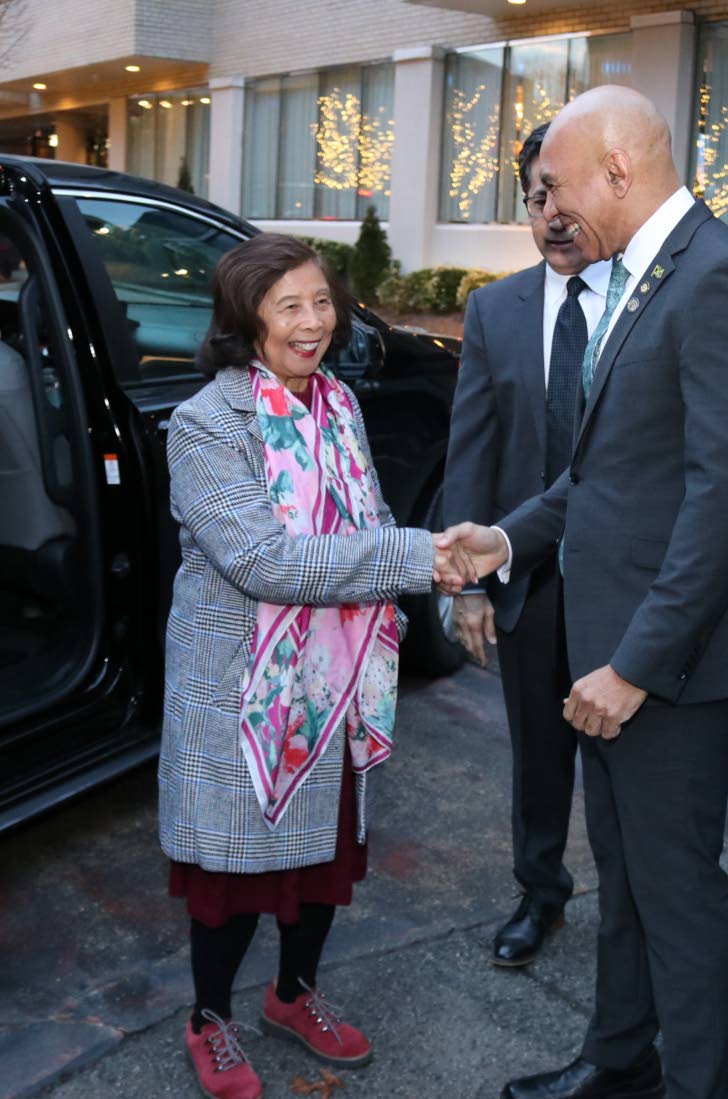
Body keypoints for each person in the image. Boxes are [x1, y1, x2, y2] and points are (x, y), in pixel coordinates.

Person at [438, 86, 728, 1099]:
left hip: (663, 665)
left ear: (617, 170)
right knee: (628, 877)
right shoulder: (651, 275)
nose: (547, 206)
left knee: (676, 890)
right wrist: (504, 539)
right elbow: (605, 473)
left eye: (556, 185)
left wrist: (635, 666)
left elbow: (724, 504)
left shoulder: (724, 281)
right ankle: (619, 1058)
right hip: (613, 648)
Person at [159, 233, 472, 1099]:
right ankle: (209, 1019)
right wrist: (419, 557)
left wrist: (428, 560)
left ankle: (292, 995)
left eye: (323, 302)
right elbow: (264, 561)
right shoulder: (205, 425)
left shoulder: (337, 404)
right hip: (244, 689)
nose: (313, 322)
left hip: (334, 682)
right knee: (231, 875)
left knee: (323, 863)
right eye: (289, 306)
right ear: (245, 318)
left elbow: (367, 516)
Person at [443, 121, 612, 968]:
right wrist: (465, 584)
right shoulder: (493, 309)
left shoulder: (645, 303)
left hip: (623, 581)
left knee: (625, 766)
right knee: (539, 757)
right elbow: (471, 446)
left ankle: (637, 908)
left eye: (562, 193)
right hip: (526, 578)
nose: (551, 213)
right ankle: (540, 892)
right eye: (535, 197)